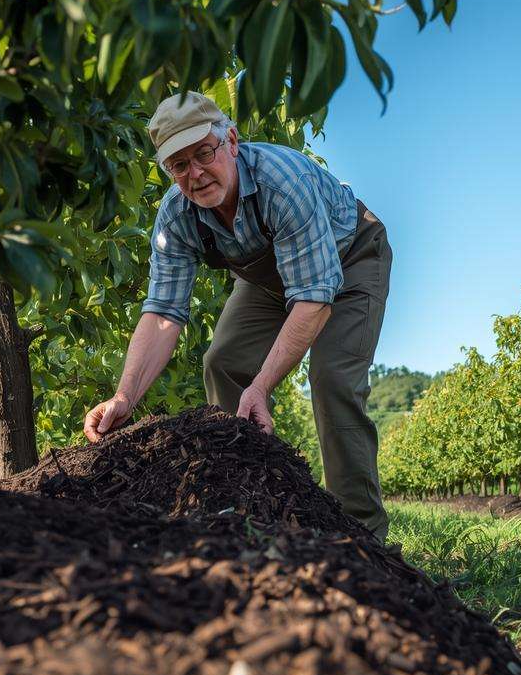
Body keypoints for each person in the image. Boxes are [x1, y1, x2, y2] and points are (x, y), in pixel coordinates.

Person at [81, 91, 394, 539]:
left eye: (203, 153)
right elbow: (164, 314)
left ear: (230, 140)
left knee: (332, 380)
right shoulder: (176, 216)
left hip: (349, 262)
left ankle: (360, 536)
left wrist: (262, 387)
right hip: (271, 279)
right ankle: (240, 513)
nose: (195, 173)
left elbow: (313, 298)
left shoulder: (282, 182)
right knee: (222, 363)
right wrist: (124, 397)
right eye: (179, 165)